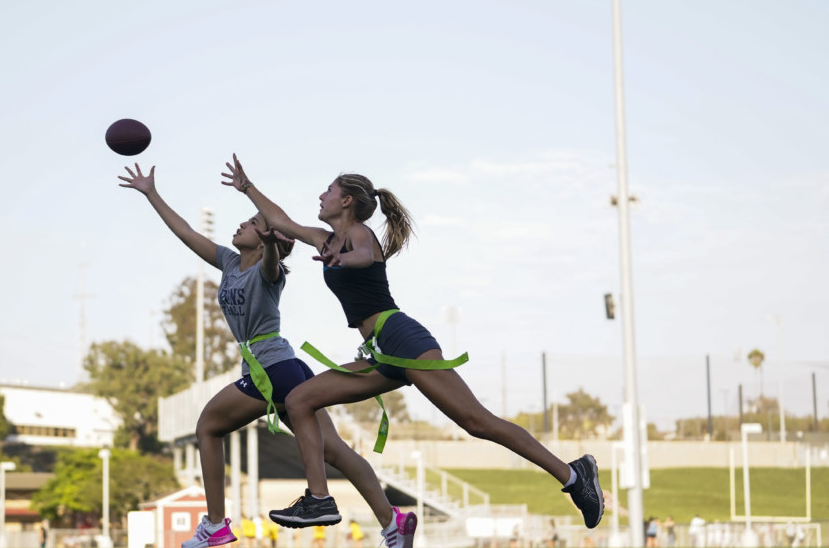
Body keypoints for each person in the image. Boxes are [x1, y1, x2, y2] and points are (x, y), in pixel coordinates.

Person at [223, 154, 605, 530]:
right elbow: (281, 220)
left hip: (401, 337)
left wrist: (346, 261)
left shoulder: (357, 234)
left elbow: (366, 254)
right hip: (378, 352)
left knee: (476, 421)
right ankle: (319, 499)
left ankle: (573, 475)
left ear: (346, 201)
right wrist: (247, 188)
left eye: (328, 191)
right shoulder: (324, 240)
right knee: (300, 399)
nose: (320, 196)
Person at [119, 164, 416, 548]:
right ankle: (393, 521)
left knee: (208, 427)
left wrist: (273, 242)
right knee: (334, 451)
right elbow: (186, 234)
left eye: (250, 225)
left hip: (273, 369)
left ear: (263, 241)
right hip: (285, 368)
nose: (241, 226)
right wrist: (151, 193)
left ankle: (215, 525)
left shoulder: (267, 270)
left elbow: (275, 260)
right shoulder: (228, 262)